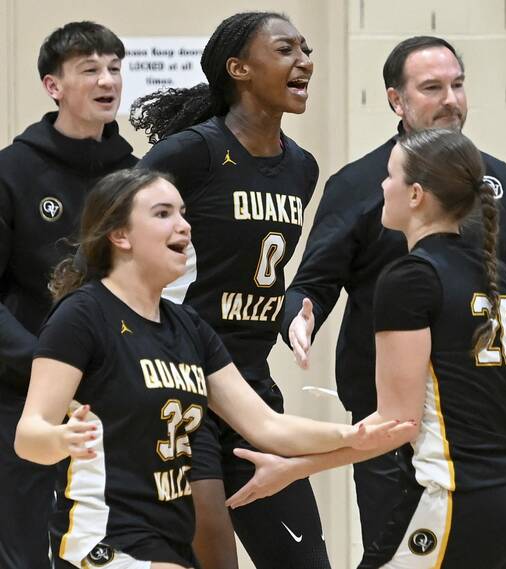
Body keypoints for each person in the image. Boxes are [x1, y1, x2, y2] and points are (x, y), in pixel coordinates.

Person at [281, 35, 506, 548]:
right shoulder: (363, 184)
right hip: (388, 422)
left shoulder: (500, 182)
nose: (450, 99)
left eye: (458, 85)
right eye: (432, 87)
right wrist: (299, 315)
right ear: (396, 100)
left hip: (472, 431)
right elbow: (312, 283)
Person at [226, 129, 506, 568]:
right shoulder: (501, 277)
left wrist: (294, 466)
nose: (381, 186)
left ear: (415, 194)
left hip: (450, 499)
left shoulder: (409, 279)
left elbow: (395, 424)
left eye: (390, 175)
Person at [14, 168, 410, 569]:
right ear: (120, 235)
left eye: (184, 213)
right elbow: (29, 435)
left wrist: (351, 435)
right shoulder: (81, 316)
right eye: (163, 213)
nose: (184, 226)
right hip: (100, 540)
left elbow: (266, 426)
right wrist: (62, 439)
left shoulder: (189, 327)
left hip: (168, 540)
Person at [130, 12, 327, 568]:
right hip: (180, 387)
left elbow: (259, 265)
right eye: (285, 49)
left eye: (306, 48)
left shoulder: (302, 168)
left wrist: (289, 309)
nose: (304, 60)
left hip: (252, 389)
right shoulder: (191, 153)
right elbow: (107, 244)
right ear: (239, 68)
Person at [0, 21, 136, 569]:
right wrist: (46, 365)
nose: (107, 81)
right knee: (28, 549)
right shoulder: (11, 171)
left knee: (107, 546)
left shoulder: (135, 177)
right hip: (23, 396)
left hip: (113, 395)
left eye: (114, 68)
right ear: (53, 86)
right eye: (90, 70)